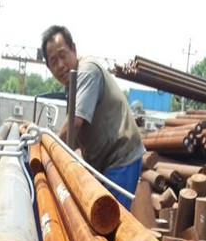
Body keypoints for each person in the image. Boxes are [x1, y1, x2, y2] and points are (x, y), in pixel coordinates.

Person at [41, 25, 144, 209]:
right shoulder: (72, 84)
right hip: (106, 163)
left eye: (62, 55)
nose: (60, 65)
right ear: (48, 67)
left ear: (73, 49)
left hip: (121, 158)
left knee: (111, 219)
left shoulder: (87, 72)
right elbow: (75, 138)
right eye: (53, 62)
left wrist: (47, 150)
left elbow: (74, 123)